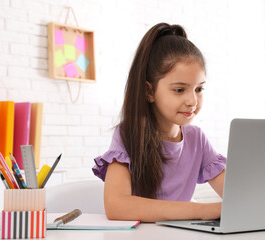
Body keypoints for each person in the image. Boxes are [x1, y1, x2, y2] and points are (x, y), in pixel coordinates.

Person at [92, 22, 226, 222]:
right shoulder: (127, 136)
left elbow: (240, 197)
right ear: (149, 91)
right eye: (179, 90)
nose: (192, 101)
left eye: (199, 89)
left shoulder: (197, 139)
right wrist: (205, 210)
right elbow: (116, 206)